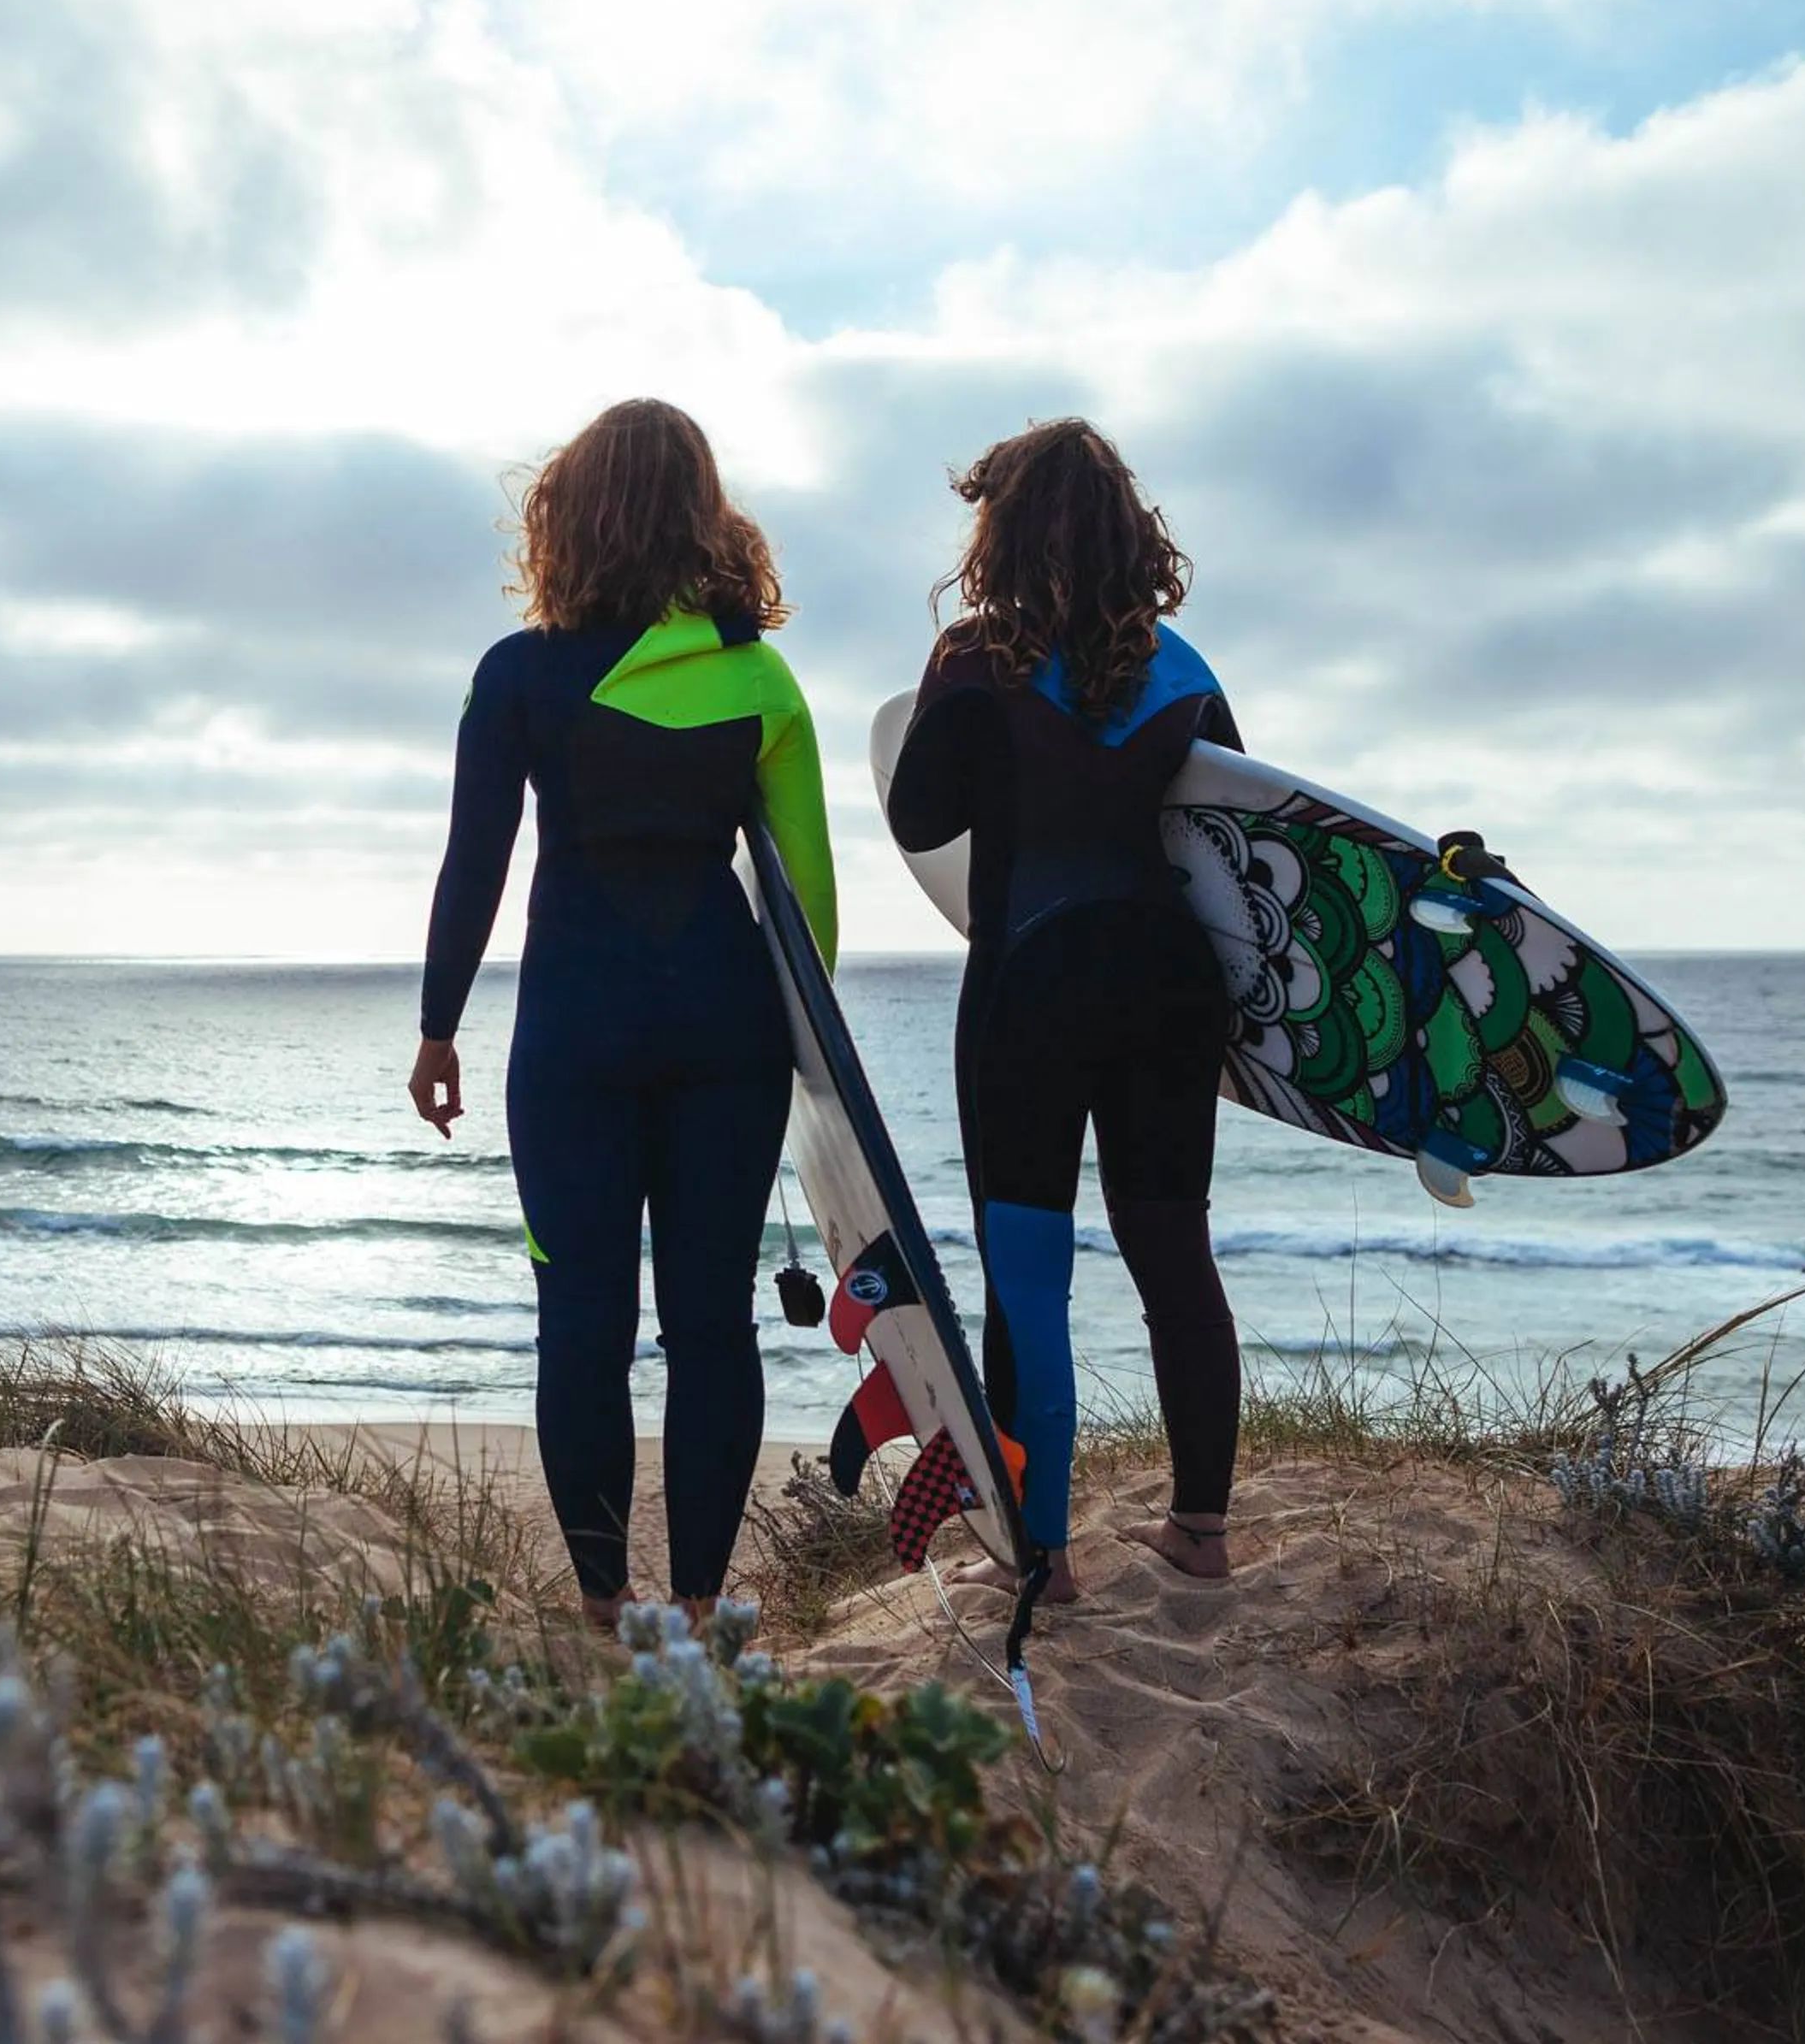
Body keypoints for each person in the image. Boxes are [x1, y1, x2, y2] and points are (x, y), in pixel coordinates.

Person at [407, 398, 833, 1629]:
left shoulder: (518, 677)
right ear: (703, 518)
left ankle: (605, 1604)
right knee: (714, 1325)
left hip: (573, 1036)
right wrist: (813, 1065)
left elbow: (473, 867)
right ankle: (698, 1605)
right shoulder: (756, 677)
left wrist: (439, 1027)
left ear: (568, 518)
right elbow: (807, 900)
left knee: (580, 1321)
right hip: (725, 1029)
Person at [883, 418, 1242, 1601]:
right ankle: (1200, 1532)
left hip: (1029, 985)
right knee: (1174, 1253)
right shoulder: (1187, 674)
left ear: (1000, 534)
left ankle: (1044, 1553)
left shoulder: (974, 660)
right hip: (1169, 988)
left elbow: (921, 821)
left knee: (1027, 1275)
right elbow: (1237, 853)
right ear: (1132, 535)